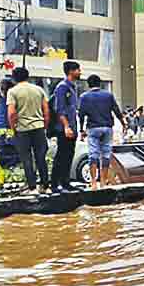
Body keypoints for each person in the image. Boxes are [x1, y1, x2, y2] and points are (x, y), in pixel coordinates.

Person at [6, 67, 51, 194]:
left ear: (14, 78)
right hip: (38, 128)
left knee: (26, 159)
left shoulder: (12, 92)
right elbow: (46, 111)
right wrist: (44, 126)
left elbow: (11, 113)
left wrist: (13, 128)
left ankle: (32, 188)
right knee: (41, 158)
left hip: (22, 130)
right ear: (27, 76)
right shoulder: (39, 90)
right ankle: (46, 186)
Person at [79, 74, 126, 189]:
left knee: (93, 155)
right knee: (105, 155)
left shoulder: (84, 97)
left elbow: (81, 115)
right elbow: (116, 110)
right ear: (99, 84)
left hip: (93, 128)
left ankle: (94, 183)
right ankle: (103, 182)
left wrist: (81, 130)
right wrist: (123, 123)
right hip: (107, 128)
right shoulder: (108, 95)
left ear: (88, 84)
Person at [50, 61, 83, 192]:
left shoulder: (72, 87)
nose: (80, 72)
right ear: (71, 71)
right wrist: (66, 127)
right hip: (64, 128)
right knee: (61, 156)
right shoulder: (62, 87)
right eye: (78, 70)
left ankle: (65, 182)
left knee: (69, 155)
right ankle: (54, 184)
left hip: (72, 127)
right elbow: (60, 109)